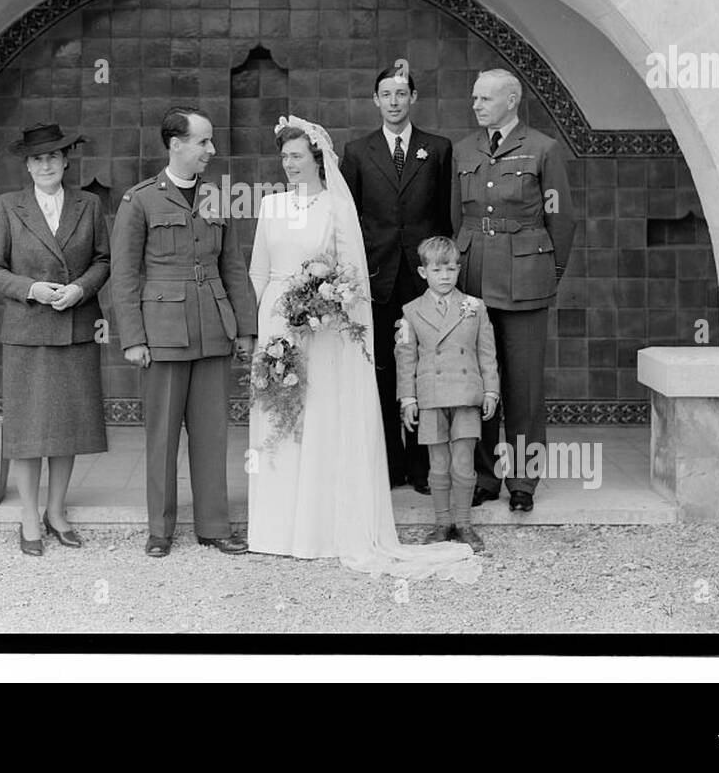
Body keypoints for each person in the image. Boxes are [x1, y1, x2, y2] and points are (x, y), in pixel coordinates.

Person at [246, 116, 479, 583]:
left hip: (325, 329)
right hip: (278, 323)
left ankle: (319, 527)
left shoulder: (336, 207)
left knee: (319, 417)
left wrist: (319, 306)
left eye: (296, 156)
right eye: (284, 157)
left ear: (317, 159)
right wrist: (275, 319)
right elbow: (258, 270)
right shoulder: (270, 207)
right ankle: (274, 529)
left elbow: (349, 275)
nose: (289, 164)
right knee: (277, 418)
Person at [109, 106, 258, 558]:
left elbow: (232, 266)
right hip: (162, 335)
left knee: (214, 435)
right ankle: (160, 529)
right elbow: (125, 274)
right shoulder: (140, 201)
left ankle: (214, 525)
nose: (211, 150)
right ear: (176, 145)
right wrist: (133, 337)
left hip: (213, 329)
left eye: (210, 142)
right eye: (203, 142)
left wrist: (245, 329)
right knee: (162, 437)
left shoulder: (215, 198)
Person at [451, 69, 576, 512]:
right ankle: (485, 475)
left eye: (485, 98)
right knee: (481, 381)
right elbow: (456, 217)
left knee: (523, 387)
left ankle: (524, 480)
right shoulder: (464, 149)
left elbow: (560, 219)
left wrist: (548, 272)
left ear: (511, 100)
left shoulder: (544, 149)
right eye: (474, 98)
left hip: (525, 278)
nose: (477, 105)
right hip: (474, 276)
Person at [0, 124, 110, 556]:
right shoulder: (7, 206)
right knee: (29, 429)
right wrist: (31, 289)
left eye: (54, 156)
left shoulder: (88, 204)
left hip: (75, 327)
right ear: (28, 165)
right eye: (38, 158)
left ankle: (56, 512)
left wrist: (81, 289)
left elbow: (103, 260)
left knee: (67, 426)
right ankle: (29, 515)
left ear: (66, 160)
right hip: (28, 329)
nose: (46, 164)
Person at [340, 68, 454, 495]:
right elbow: (350, 221)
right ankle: (389, 465)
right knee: (384, 374)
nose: (394, 101)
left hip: (425, 280)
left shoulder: (437, 149)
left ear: (413, 97)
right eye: (386, 94)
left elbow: (446, 215)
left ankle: (423, 465)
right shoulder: (357, 152)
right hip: (378, 278)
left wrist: (440, 268)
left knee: (425, 372)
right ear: (375, 99)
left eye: (401, 94)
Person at [395, 237, 499, 552]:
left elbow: (487, 353)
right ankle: (442, 523)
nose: (445, 276)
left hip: (466, 396)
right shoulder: (411, 311)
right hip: (430, 397)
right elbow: (406, 357)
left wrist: (491, 390)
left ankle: (464, 524)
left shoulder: (475, 307)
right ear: (423, 272)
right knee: (438, 464)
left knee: (463, 464)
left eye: (451, 268)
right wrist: (408, 398)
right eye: (438, 269)